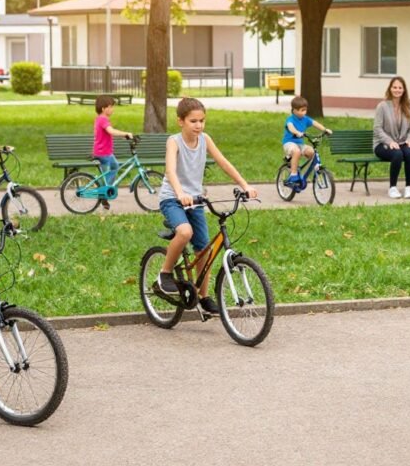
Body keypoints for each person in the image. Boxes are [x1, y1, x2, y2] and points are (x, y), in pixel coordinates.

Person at [155, 97, 258, 314]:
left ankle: (204, 297)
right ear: (180, 121)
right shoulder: (174, 141)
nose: (199, 125)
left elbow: (223, 162)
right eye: (193, 121)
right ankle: (164, 274)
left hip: (196, 201)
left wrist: (245, 185)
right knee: (184, 232)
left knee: (204, 251)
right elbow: (171, 171)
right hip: (172, 198)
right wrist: (180, 192)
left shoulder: (205, 139)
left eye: (202, 120)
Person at [373, 76, 410, 199]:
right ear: (390, 89)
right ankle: (392, 188)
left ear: (404, 90)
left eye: (400, 88)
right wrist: (389, 141)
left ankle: (409, 188)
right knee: (397, 154)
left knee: (409, 153)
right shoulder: (382, 106)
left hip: (402, 142)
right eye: (395, 87)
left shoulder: (409, 106)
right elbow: (377, 129)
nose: (397, 90)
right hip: (382, 144)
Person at [93, 95, 134, 210]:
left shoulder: (100, 118)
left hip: (104, 152)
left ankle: (105, 190)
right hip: (103, 153)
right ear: (103, 108)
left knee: (114, 166)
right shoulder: (103, 119)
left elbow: (108, 132)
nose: (112, 109)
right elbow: (110, 131)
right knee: (108, 172)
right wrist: (125, 134)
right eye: (110, 107)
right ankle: (104, 193)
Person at [281, 96, 332, 186]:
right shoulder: (290, 119)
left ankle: (307, 172)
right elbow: (290, 127)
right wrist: (296, 132)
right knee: (296, 151)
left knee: (312, 152)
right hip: (289, 143)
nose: (303, 112)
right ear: (294, 110)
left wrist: (325, 130)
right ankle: (293, 174)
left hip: (300, 144)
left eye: (305, 110)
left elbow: (315, 123)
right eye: (301, 110)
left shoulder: (305, 119)